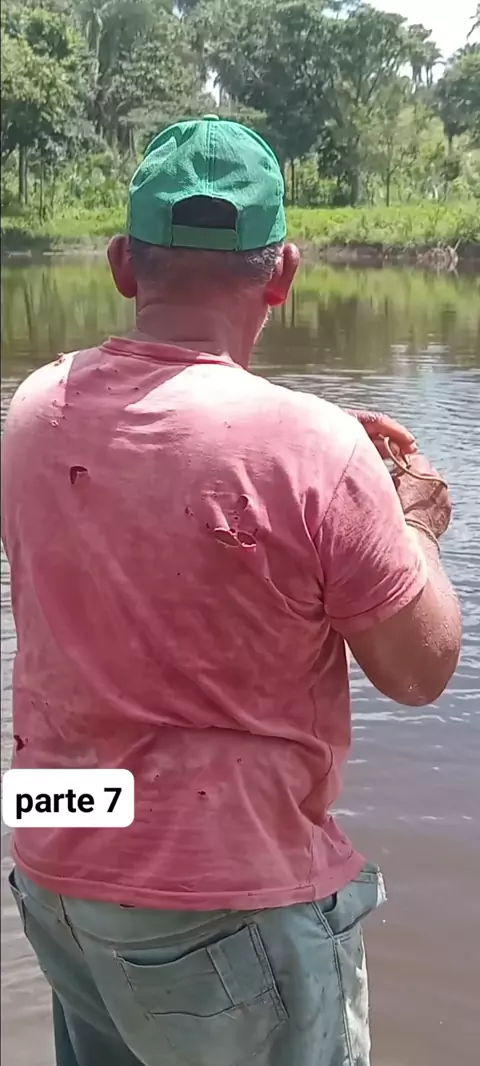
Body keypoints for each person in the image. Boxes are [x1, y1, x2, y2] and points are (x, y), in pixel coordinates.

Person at [2, 117, 461, 1066]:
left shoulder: (35, 409)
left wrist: (318, 463)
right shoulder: (313, 447)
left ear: (123, 265)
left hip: (56, 857)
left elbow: (159, 480)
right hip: (222, 899)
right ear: (283, 274)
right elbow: (419, 672)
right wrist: (410, 521)